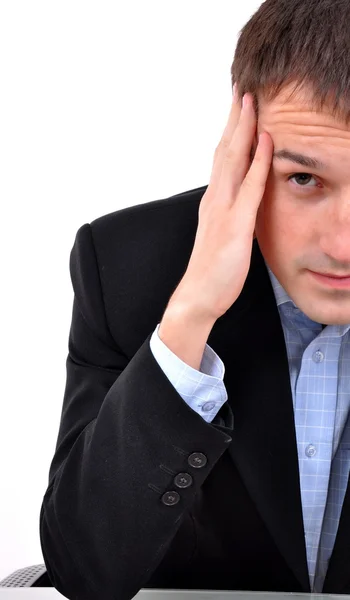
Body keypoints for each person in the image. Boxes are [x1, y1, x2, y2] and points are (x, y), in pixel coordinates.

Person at [39, 1, 350, 598]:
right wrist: (190, 319)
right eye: (303, 179)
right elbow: (84, 571)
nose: (340, 245)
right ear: (240, 141)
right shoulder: (128, 267)